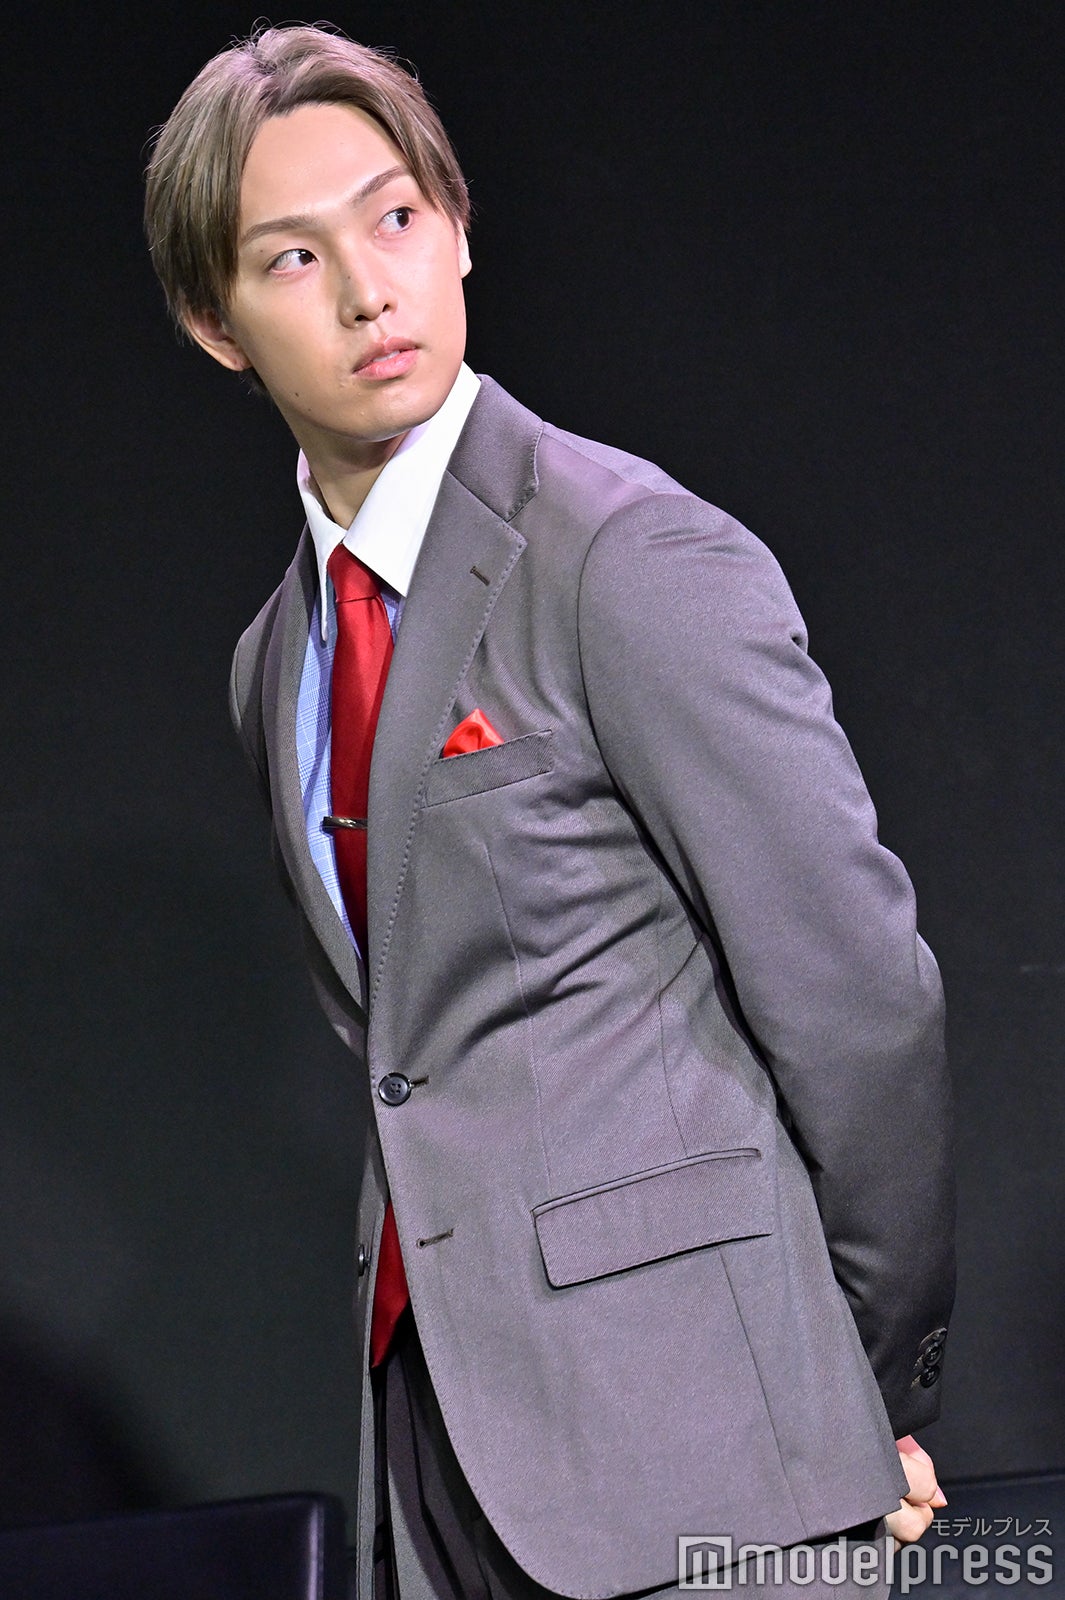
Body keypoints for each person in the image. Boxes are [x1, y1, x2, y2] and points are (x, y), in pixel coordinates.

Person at [144, 24, 955, 1600]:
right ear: (215, 323)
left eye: (394, 219)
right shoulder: (274, 660)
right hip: (440, 1451)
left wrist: (848, 1393)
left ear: (455, 227)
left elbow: (856, 998)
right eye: (293, 257)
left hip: (714, 1445)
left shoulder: (621, 554)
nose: (368, 291)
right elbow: (408, 1054)